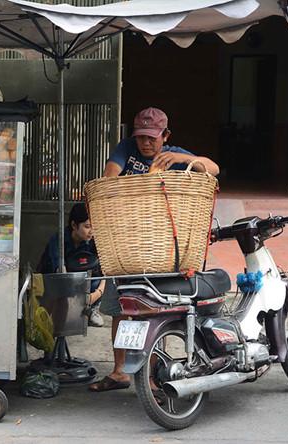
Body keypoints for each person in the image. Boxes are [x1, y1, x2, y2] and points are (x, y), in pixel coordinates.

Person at [89, 107, 220, 393]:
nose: (146, 144)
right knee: (119, 310)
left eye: (152, 138)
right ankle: (120, 371)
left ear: (165, 136)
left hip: (158, 247)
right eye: (141, 138)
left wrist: (184, 159)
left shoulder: (173, 154)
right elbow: (110, 179)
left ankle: (149, 375)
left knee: (152, 311)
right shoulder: (125, 150)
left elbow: (213, 169)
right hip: (125, 244)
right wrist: (146, 178)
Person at [37, 202, 106, 327]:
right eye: (87, 226)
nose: (92, 232)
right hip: (55, 286)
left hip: (84, 285)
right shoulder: (59, 240)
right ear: (74, 225)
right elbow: (59, 273)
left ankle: (91, 309)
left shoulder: (93, 242)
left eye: (93, 227)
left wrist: (96, 295)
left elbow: (106, 272)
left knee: (100, 280)